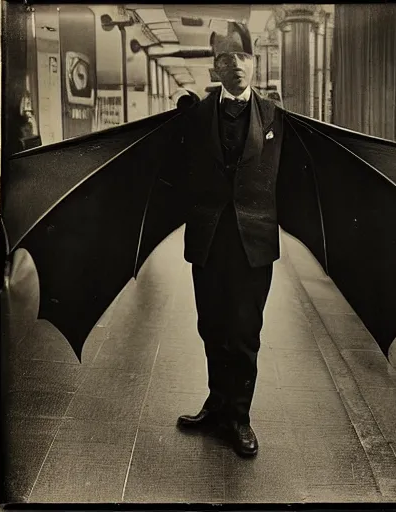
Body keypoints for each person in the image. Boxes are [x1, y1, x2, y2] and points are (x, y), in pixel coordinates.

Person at [175, 22, 284, 458]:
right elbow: (176, 172)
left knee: (243, 333)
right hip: (208, 241)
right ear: (215, 66)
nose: (234, 65)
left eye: (241, 56)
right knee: (211, 327)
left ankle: (239, 416)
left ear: (254, 63)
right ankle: (217, 403)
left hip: (253, 244)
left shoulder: (277, 116)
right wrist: (179, 122)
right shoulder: (197, 114)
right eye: (225, 58)